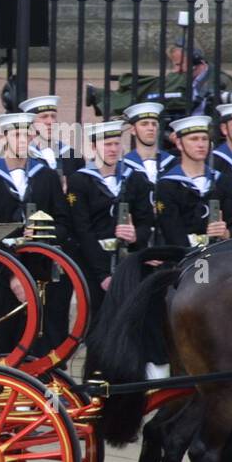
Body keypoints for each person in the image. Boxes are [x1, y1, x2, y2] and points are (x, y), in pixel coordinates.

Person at [0, 112, 72, 356]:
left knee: (42, 346)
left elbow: (63, 223)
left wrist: (45, 232)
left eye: (26, 135)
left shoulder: (46, 176)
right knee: (9, 348)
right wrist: (13, 275)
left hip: (42, 272)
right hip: (3, 275)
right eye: (16, 134)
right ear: (3, 137)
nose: (22, 140)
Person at [66, 120, 154, 317]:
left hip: (128, 261)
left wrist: (135, 236)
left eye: (116, 143)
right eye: (107, 144)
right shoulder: (80, 180)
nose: (113, 149)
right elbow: (82, 229)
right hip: (94, 264)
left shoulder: (134, 178)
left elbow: (146, 220)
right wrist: (103, 274)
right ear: (93, 147)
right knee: (97, 322)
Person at [154, 115, 232, 247]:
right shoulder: (167, 185)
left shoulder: (223, 181)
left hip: (219, 258)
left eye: (204, 139)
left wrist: (226, 233)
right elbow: (171, 233)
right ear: (179, 144)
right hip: (183, 260)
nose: (201, 144)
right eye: (194, 139)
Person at [19, 95, 79, 177]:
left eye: (53, 116)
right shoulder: (21, 157)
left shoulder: (72, 155)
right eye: (44, 117)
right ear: (30, 123)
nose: (50, 122)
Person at [121, 101, 176, 189]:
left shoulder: (172, 163)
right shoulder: (123, 166)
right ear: (133, 130)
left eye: (154, 124)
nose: (150, 128)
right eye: (144, 124)